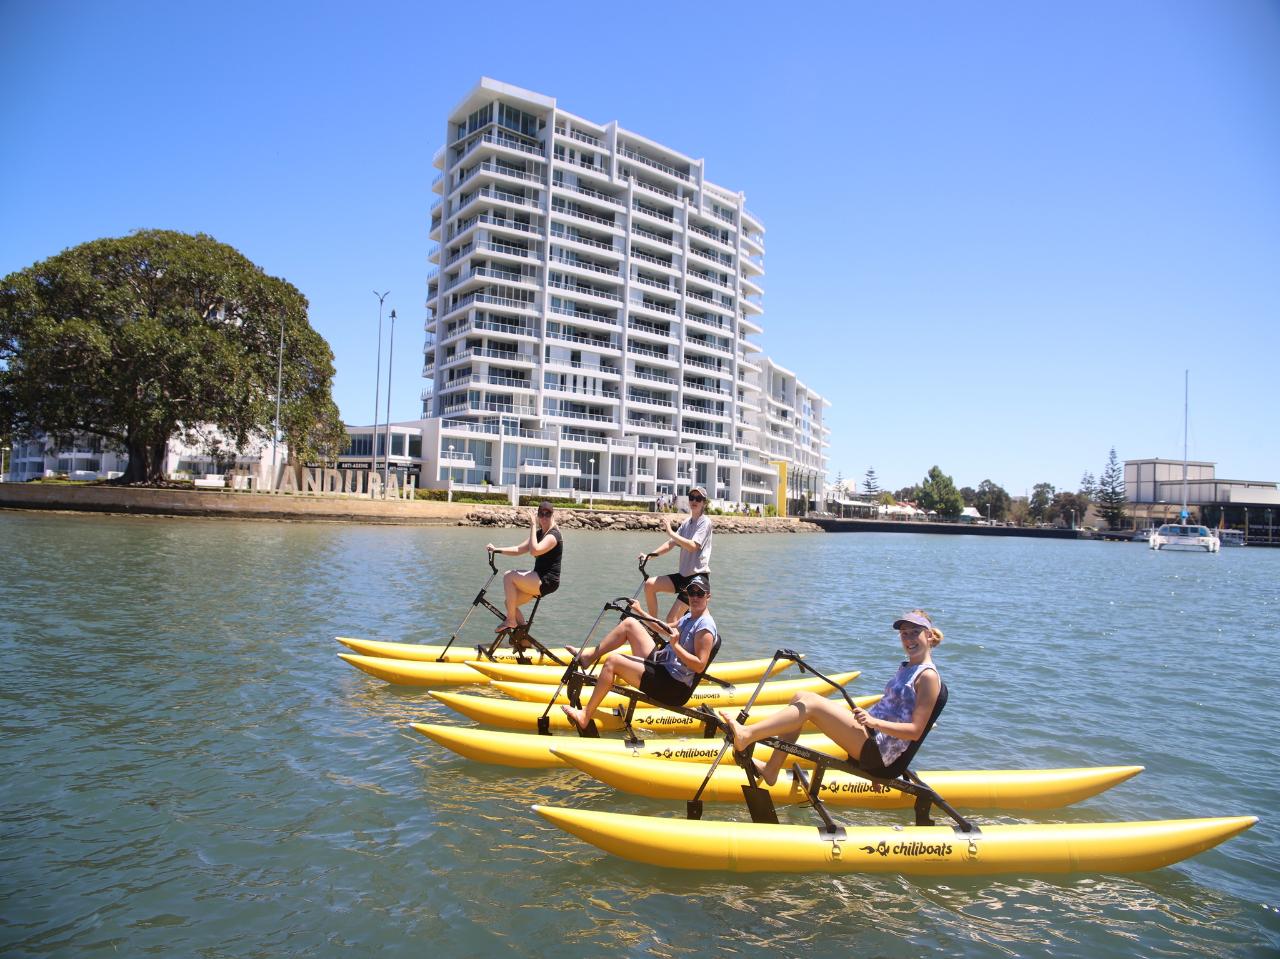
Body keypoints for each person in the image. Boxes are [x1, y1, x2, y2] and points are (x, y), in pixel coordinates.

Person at [722, 609, 943, 785]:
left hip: (877, 751)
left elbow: (915, 732)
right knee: (800, 696)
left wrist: (874, 722)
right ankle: (771, 770)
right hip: (871, 738)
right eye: (905, 633)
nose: (909, 638)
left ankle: (747, 734)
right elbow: (892, 711)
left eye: (915, 632)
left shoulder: (928, 677)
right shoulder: (907, 667)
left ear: (930, 635)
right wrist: (870, 720)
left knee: (809, 704)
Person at [561, 574, 717, 730]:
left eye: (700, 593)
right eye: (691, 592)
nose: (695, 597)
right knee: (630, 623)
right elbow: (664, 628)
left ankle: (585, 716)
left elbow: (699, 666)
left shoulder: (705, 627)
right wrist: (640, 611)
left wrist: (676, 646)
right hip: (662, 664)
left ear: (708, 597)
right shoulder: (690, 616)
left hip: (672, 685)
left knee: (612, 662)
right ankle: (589, 657)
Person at [485, 501, 563, 633]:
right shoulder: (540, 534)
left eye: (547, 514)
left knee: (509, 576)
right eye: (541, 514)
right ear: (538, 515)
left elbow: (534, 551)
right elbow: (518, 549)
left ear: (552, 515)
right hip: (538, 578)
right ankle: (523, 640)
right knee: (510, 604)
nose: (544, 517)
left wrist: (532, 525)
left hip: (547, 581)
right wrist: (496, 550)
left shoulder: (553, 536)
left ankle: (511, 621)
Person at [638, 485, 713, 619]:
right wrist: (649, 557)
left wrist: (671, 533)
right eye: (692, 497)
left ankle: (676, 638)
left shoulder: (705, 522)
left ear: (704, 502)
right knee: (649, 585)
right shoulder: (687, 523)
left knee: (671, 619)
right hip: (683, 576)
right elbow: (670, 543)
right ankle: (653, 627)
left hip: (697, 578)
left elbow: (692, 546)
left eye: (698, 498)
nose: (694, 501)